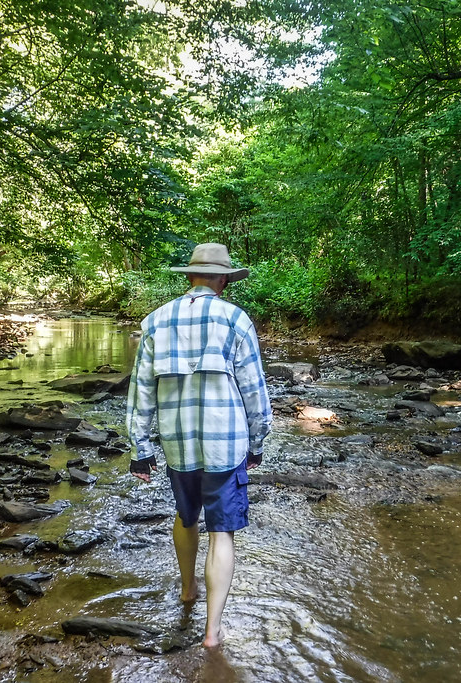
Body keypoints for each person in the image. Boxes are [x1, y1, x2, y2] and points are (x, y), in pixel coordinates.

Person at [125, 242, 272, 648]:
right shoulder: (236, 320)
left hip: (177, 443)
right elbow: (254, 391)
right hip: (226, 443)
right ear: (224, 280)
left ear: (189, 277)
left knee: (186, 516)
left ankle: (188, 588)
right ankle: (212, 631)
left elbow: (141, 392)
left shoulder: (155, 321)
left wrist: (140, 448)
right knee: (221, 532)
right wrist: (257, 441)